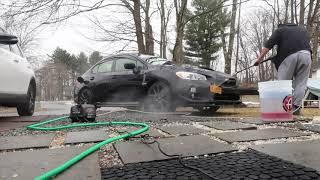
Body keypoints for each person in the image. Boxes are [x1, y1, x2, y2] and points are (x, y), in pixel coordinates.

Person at [255, 23, 312, 115]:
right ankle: (296, 109)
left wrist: (259, 59)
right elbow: (303, 43)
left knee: (282, 84)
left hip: (289, 56)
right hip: (306, 55)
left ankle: (282, 110)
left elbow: (268, 46)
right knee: (301, 84)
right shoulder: (303, 30)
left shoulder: (280, 30)